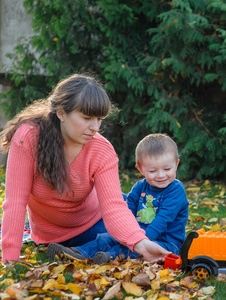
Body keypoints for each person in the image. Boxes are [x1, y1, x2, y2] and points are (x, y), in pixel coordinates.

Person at [0, 74, 170, 263]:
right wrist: (10, 259)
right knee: (140, 227)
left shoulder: (102, 149)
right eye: (87, 118)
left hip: (98, 220)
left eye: (99, 119)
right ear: (61, 112)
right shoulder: (28, 138)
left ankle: (95, 249)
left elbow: (113, 206)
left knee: (150, 217)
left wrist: (140, 242)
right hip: (53, 234)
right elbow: (15, 202)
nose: (95, 127)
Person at [46, 133, 189, 264]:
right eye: (152, 171)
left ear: (176, 164)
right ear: (141, 169)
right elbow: (128, 209)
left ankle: (108, 257)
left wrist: (140, 240)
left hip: (166, 242)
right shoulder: (140, 187)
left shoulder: (176, 190)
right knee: (107, 238)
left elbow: (162, 220)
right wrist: (127, 234)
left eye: (167, 169)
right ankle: (77, 252)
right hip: (137, 235)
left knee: (129, 250)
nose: (161, 175)